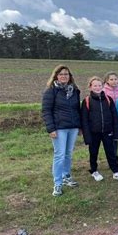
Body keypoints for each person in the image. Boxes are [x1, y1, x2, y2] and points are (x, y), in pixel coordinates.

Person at [42, 65, 81, 197]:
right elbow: (46, 111)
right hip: (59, 128)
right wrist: (51, 128)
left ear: (70, 76)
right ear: (56, 76)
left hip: (73, 127)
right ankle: (57, 184)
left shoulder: (75, 90)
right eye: (61, 74)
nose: (64, 76)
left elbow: (78, 109)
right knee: (59, 155)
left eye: (66, 73)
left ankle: (66, 176)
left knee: (68, 154)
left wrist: (80, 126)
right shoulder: (51, 91)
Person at [81, 76, 118, 183]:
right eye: (95, 86)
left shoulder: (108, 99)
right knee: (93, 152)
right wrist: (87, 136)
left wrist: (116, 133)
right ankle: (94, 171)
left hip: (107, 132)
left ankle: (116, 172)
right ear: (90, 87)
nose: (97, 87)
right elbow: (84, 120)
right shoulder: (87, 101)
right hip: (93, 133)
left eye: (99, 85)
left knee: (111, 152)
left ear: (103, 86)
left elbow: (115, 117)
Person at [103, 71, 118, 164]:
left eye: (115, 79)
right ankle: (111, 159)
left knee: (115, 139)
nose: (114, 81)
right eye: (111, 79)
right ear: (107, 81)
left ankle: (115, 158)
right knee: (109, 140)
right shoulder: (104, 91)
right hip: (108, 118)